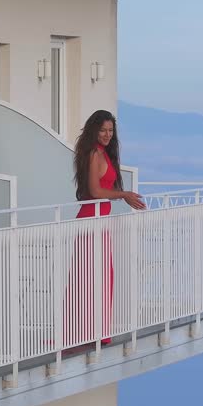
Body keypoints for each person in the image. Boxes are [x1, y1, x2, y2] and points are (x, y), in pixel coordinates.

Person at [65, 110, 145, 349]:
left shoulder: (103, 154)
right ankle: (84, 332)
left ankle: (95, 331)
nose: (107, 135)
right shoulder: (93, 155)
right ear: (94, 131)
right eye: (103, 130)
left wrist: (123, 195)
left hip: (101, 220)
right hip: (92, 219)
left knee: (100, 276)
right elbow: (96, 192)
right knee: (88, 277)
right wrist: (124, 194)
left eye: (110, 131)